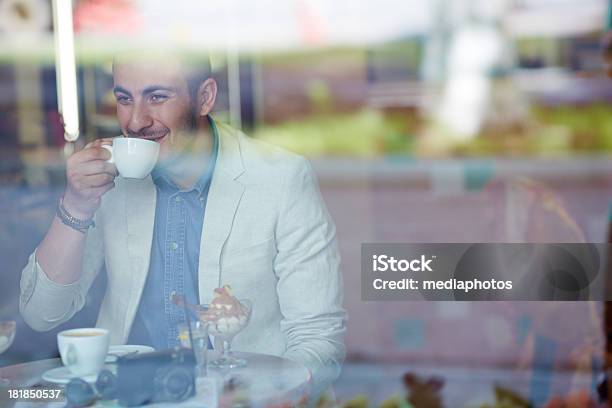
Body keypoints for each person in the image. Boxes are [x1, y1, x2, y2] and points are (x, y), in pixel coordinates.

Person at [19, 52, 346, 393]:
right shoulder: (108, 176)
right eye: (124, 99)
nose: (136, 121)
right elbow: (41, 314)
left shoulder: (281, 177)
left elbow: (318, 341)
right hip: (127, 395)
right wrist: (76, 204)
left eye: (157, 97)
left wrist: (258, 398)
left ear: (204, 97)